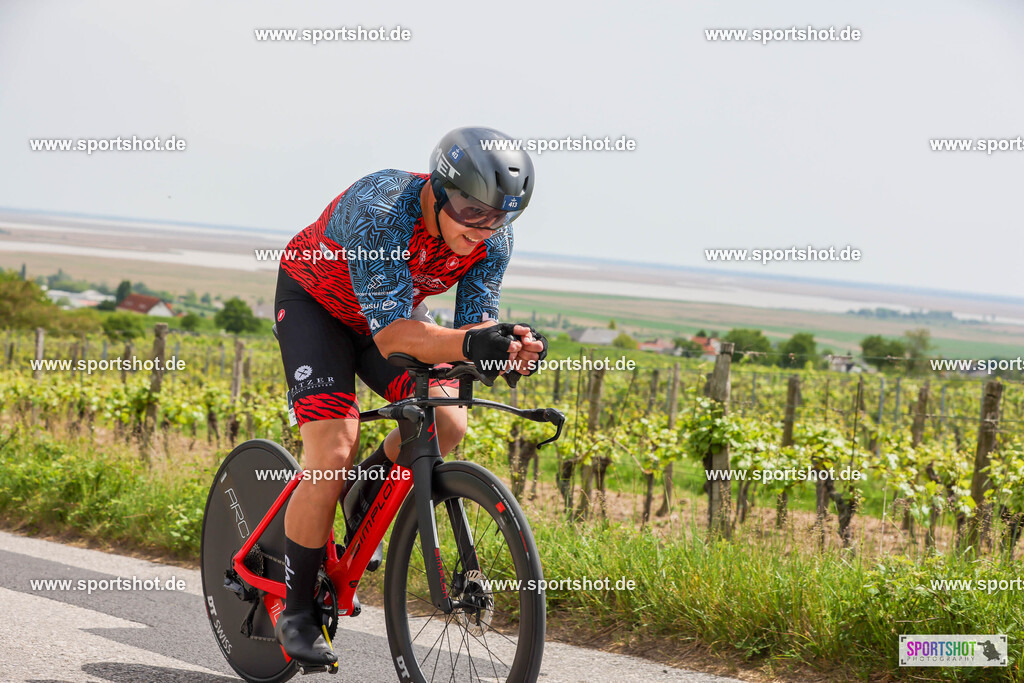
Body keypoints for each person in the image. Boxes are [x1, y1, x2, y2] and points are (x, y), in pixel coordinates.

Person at [271, 126, 547, 665]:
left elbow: (473, 326)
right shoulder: (383, 211)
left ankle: (362, 497)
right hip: (318, 306)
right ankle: (297, 608)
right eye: (472, 212)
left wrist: (505, 346)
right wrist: (471, 342)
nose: (483, 229)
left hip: (384, 317)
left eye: (500, 216)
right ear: (441, 192)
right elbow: (396, 336)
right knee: (332, 451)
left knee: (448, 422)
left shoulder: (492, 237)